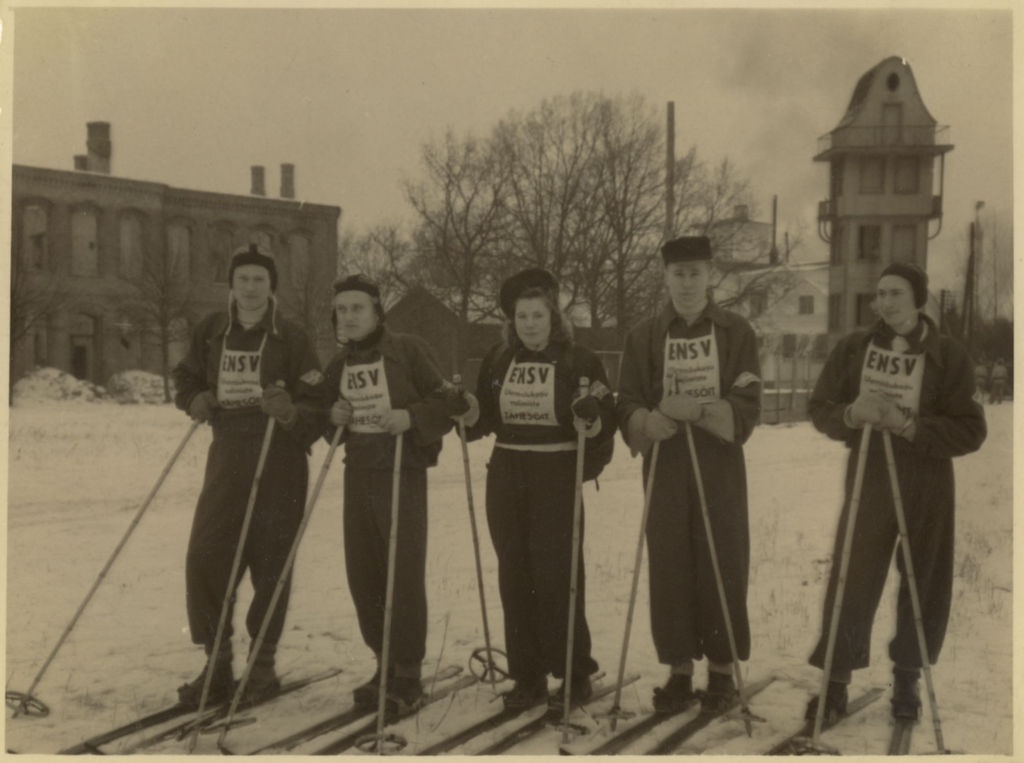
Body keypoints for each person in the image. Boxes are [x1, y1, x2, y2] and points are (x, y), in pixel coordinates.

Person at [805, 262, 986, 723]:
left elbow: (970, 431)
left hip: (926, 479)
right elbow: (820, 407)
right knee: (854, 574)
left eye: (897, 293)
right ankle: (835, 682)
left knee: (924, 579)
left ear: (918, 298)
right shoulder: (854, 349)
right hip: (869, 476)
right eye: (881, 294)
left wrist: (908, 426)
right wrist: (850, 415)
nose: (886, 302)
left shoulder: (948, 354)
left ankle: (908, 677)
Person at [172, 243, 329, 708]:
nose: (251, 287)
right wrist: (195, 399)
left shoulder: (293, 338)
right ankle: (216, 662)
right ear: (232, 285)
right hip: (228, 453)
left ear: (271, 286)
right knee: (206, 552)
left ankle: (262, 668)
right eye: (243, 279)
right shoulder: (212, 331)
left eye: (260, 279)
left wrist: (289, 413)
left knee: (270, 559)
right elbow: (185, 378)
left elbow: (317, 404)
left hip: (279, 457)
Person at [616, 235, 761, 716]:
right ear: (665, 277)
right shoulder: (644, 335)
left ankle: (721, 673)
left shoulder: (736, 331)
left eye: (695, 272)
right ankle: (679, 670)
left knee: (722, 557)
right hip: (667, 464)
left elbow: (747, 401)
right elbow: (628, 399)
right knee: (671, 559)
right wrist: (646, 421)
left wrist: (701, 410)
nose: (687, 282)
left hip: (718, 462)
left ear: (710, 276)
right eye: (678, 274)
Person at [460, 268, 614, 712]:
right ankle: (527, 675)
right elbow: (483, 416)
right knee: (515, 573)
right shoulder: (498, 358)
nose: (529, 324)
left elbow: (605, 414)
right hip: (508, 471)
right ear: (511, 320)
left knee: (558, 575)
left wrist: (594, 418)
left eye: (537, 315)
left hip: (556, 472)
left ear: (553, 317)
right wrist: (466, 410)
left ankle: (574, 672)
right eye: (521, 316)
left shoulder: (579, 359)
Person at [322, 274, 461, 717]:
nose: (349, 317)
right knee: (363, 571)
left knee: (401, 570)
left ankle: (407, 671)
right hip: (358, 473)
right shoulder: (339, 364)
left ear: (377, 311)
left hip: (402, 471)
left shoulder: (407, 350)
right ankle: (383, 663)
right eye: (342, 310)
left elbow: (448, 403)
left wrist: (412, 416)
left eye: (357, 308)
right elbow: (322, 415)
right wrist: (333, 414)